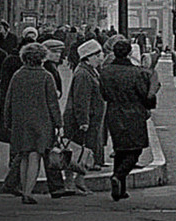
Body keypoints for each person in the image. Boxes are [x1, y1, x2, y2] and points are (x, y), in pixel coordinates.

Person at [1, 43, 65, 204]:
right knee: (35, 156)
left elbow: (9, 100)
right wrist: (59, 124)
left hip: (21, 121)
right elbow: (52, 103)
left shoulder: (18, 75)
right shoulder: (46, 76)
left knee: (23, 156)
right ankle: (27, 192)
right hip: (41, 122)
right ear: (42, 58)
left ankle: (24, 188)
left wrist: (7, 120)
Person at [100, 40, 157, 201]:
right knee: (136, 149)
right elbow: (145, 94)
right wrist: (149, 104)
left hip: (114, 112)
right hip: (134, 113)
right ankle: (119, 176)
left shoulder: (105, 71)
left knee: (120, 149)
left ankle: (119, 190)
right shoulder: (137, 72)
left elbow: (103, 94)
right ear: (129, 53)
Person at [62, 39, 106, 195]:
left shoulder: (90, 71)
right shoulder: (83, 74)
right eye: (99, 54)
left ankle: (79, 181)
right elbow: (81, 100)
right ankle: (71, 182)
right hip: (82, 121)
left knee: (84, 152)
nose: (102, 57)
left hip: (90, 119)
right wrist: (83, 121)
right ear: (89, 56)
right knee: (76, 151)